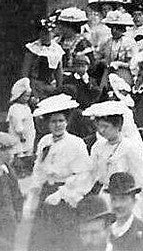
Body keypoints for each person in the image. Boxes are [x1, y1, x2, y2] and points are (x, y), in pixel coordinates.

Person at [25, 93, 92, 251]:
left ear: (67, 122)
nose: (58, 125)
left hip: (65, 194)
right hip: (46, 192)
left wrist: (62, 194)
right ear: (48, 123)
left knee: (64, 239)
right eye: (53, 121)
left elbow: (83, 174)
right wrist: (32, 197)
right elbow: (38, 171)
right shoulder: (44, 141)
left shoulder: (76, 143)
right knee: (42, 238)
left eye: (61, 121)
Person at [104, 172, 143, 251]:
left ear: (134, 200)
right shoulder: (100, 232)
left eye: (123, 199)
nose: (117, 204)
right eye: (114, 199)